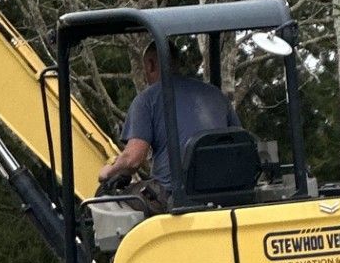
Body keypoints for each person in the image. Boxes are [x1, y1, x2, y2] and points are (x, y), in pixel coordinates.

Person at [97, 43, 240, 197]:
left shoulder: (147, 99)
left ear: (151, 65)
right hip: (224, 191)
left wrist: (108, 172)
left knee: (108, 200)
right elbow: (239, 143)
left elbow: (133, 159)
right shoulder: (216, 95)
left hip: (175, 195)